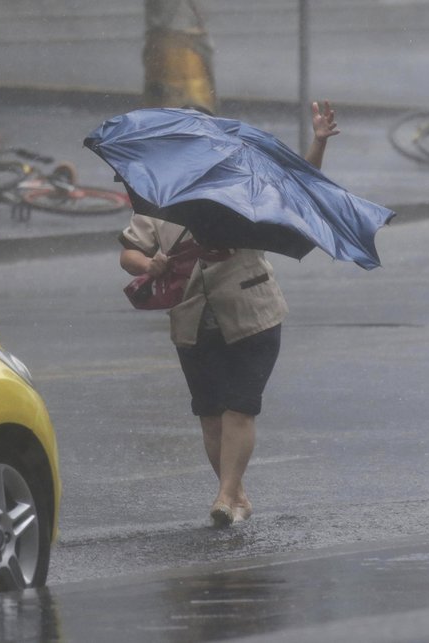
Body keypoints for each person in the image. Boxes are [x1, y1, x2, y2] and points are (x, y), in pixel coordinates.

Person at [118, 101, 341, 527]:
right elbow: (130, 251)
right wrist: (149, 265)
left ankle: (224, 497)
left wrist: (318, 141)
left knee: (240, 407)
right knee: (209, 415)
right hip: (191, 315)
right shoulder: (156, 191)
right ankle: (236, 493)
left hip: (252, 313)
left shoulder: (245, 181)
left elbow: (297, 189)